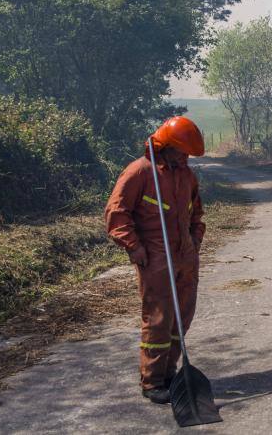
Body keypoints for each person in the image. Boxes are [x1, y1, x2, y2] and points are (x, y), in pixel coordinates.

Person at [104, 116, 206, 404]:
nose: (186, 157)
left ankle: (170, 373)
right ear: (167, 145)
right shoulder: (140, 172)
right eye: (182, 151)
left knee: (181, 318)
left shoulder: (186, 174)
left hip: (185, 255)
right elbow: (116, 214)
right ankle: (152, 381)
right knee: (159, 319)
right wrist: (134, 248)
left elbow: (196, 213)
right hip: (155, 256)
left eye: (189, 153)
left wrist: (195, 241)